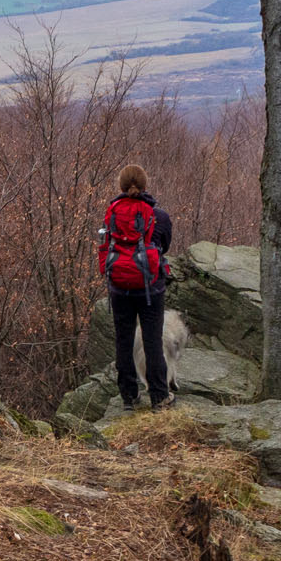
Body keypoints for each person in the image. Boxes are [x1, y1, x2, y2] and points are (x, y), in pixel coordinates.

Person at [98, 164, 174, 410]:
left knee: (123, 341)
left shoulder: (111, 213)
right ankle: (160, 396)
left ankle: (129, 397)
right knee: (152, 342)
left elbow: (108, 244)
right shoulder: (158, 216)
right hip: (151, 288)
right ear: (145, 186)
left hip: (119, 287)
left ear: (121, 186)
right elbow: (165, 245)